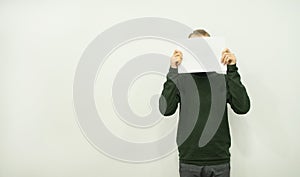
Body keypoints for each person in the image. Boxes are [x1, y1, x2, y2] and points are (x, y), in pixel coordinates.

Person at [159, 29, 250, 177]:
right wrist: (173, 70)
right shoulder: (180, 80)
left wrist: (232, 69)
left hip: (219, 159)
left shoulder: (223, 79)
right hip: (190, 160)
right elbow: (165, 110)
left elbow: (243, 107)